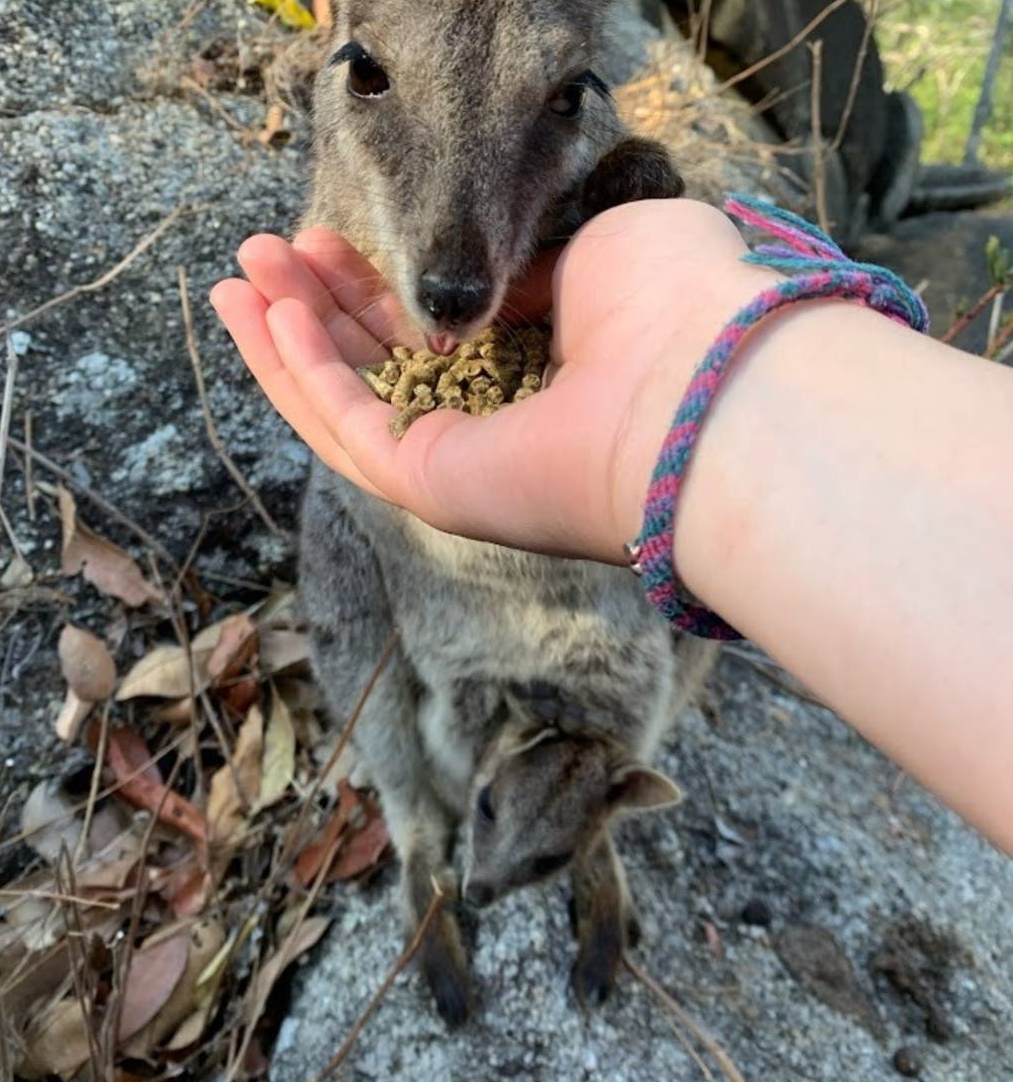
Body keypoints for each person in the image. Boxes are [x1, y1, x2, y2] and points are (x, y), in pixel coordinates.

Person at [212, 199, 1013, 854]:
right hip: (437, 612)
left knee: (707, 587)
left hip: (613, 624)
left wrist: (715, 362)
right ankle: (418, 831)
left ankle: (578, 837)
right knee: (339, 505)